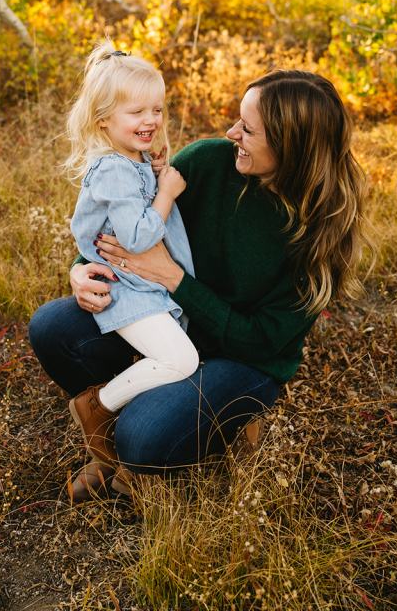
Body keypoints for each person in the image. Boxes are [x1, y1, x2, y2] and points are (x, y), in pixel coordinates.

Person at [29, 68, 368, 500]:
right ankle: (112, 454)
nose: (231, 133)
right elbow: (126, 218)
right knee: (55, 326)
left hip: (244, 358)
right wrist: (81, 269)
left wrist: (173, 278)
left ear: (290, 147)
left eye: (247, 129)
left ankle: (147, 448)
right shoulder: (208, 161)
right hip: (171, 324)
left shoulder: (322, 231)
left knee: (145, 434)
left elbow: (264, 341)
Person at [63, 43, 200, 466]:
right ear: (103, 120)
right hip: (127, 285)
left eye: (156, 110)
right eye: (136, 112)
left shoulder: (131, 158)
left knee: (177, 356)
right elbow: (138, 236)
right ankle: (98, 406)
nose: (151, 120)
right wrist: (166, 192)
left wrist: (153, 169)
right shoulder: (115, 168)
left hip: (140, 281)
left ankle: (121, 416)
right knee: (181, 360)